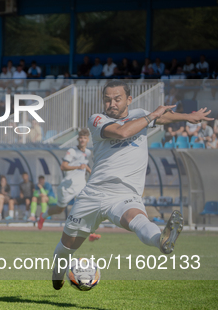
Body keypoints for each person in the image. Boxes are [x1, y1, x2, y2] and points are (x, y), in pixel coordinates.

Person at [50, 80, 212, 290]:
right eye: (107, 100)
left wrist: (189, 117)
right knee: (66, 247)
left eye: (117, 99)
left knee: (136, 219)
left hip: (125, 195)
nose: (112, 104)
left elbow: (162, 117)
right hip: (93, 194)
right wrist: (152, 116)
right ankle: (58, 270)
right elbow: (123, 132)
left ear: (129, 99)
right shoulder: (97, 119)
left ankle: (161, 240)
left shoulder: (141, 114)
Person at [38, 129, 101, 241]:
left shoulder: (87, 152)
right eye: (80, 137)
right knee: (59, 209)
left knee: (87, 206)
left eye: (85, 138)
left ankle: (91, 232)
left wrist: (90, 171)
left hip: (81, 184)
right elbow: (63, 166)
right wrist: (77, 167)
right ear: (78, 139)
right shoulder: (72, 151)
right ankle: (43, 216)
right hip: (67, 186)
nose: (82, 140)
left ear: (88, 139)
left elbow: (83, 164)